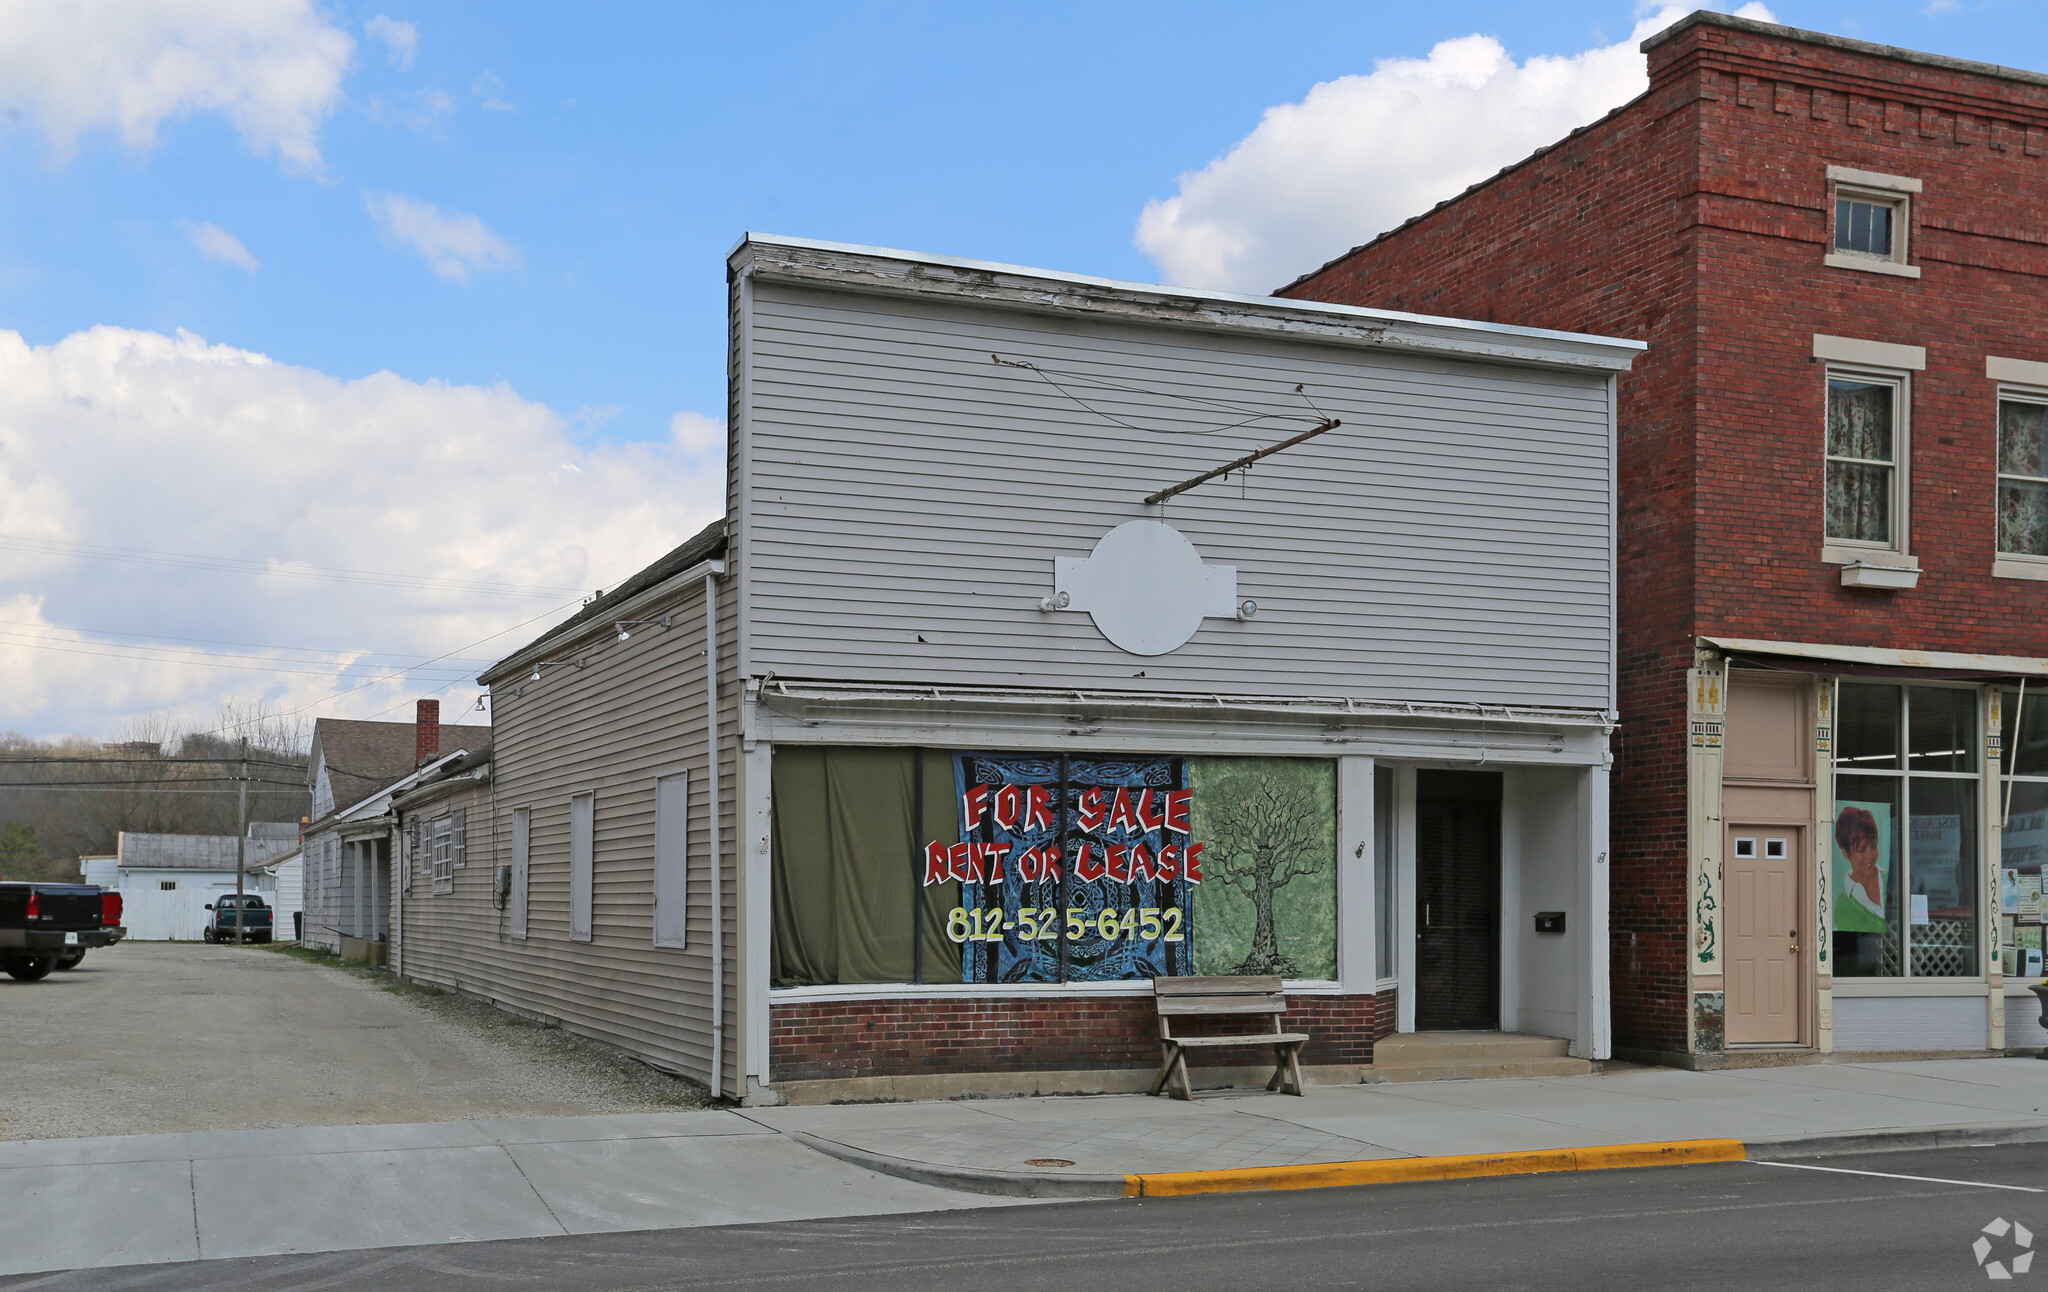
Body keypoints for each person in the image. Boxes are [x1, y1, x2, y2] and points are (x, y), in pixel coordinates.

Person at [1835, 805, 1886, 931]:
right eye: (1861, 850)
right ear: (1845, 852)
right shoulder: (1843, 903)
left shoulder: (1891, 878)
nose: (1869, 856)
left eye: (1873, 846)